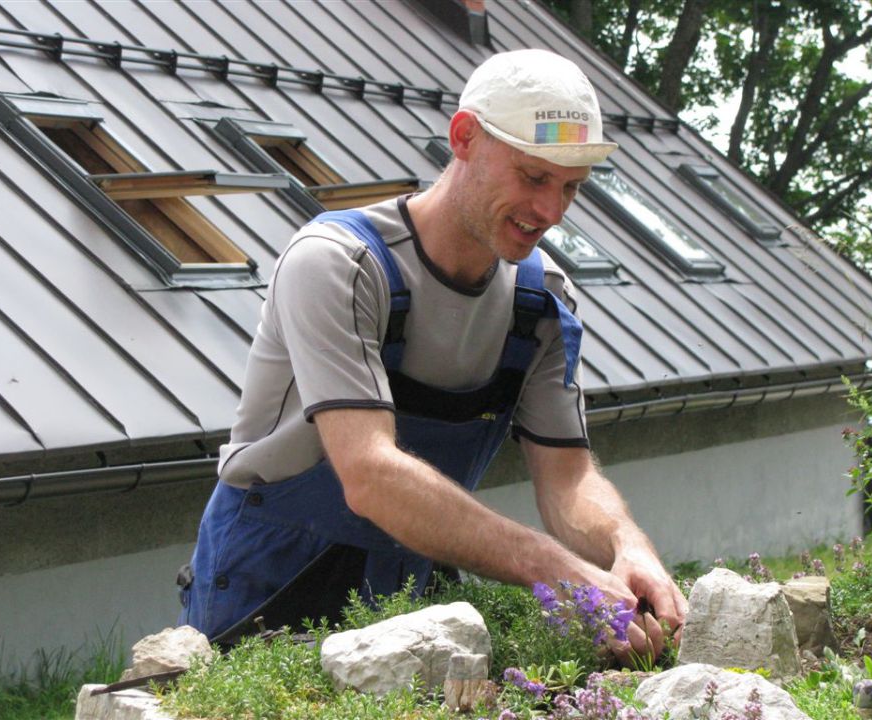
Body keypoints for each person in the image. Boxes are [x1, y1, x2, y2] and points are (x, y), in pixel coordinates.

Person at [178, 48, 687, 657]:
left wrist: (625, 544)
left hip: (409, 585)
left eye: (570, 187)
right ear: (464, 137)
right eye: (533, 177)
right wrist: (553, 567)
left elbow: (568, 477)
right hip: (269, 582)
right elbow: (368, 476)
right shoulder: (339, 265)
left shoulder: (542, 301)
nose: (551, 212)